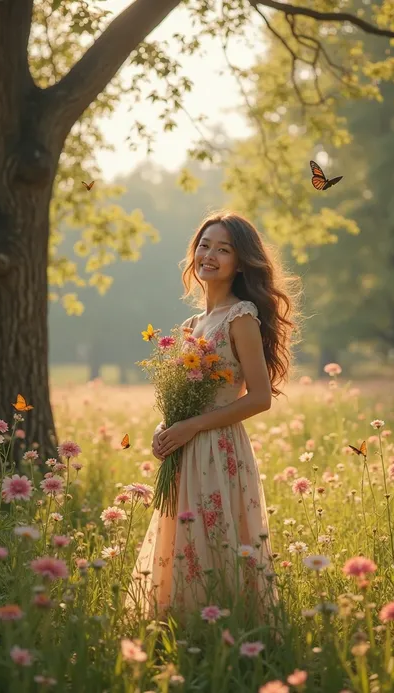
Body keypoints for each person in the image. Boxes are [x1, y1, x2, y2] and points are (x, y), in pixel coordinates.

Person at [126, 210, 300, 625]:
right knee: (185, 541)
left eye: (224, 249)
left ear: (240, 262)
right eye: (205, 245)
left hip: (219, 448)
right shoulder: (192, 324)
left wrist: (192, 426)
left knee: (216, 540)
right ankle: (183, 629)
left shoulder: (240, 317)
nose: (211, 255)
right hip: (185, 452)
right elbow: (182, 401)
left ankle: (228, 628)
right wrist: (166, 428)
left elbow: (259, 398)